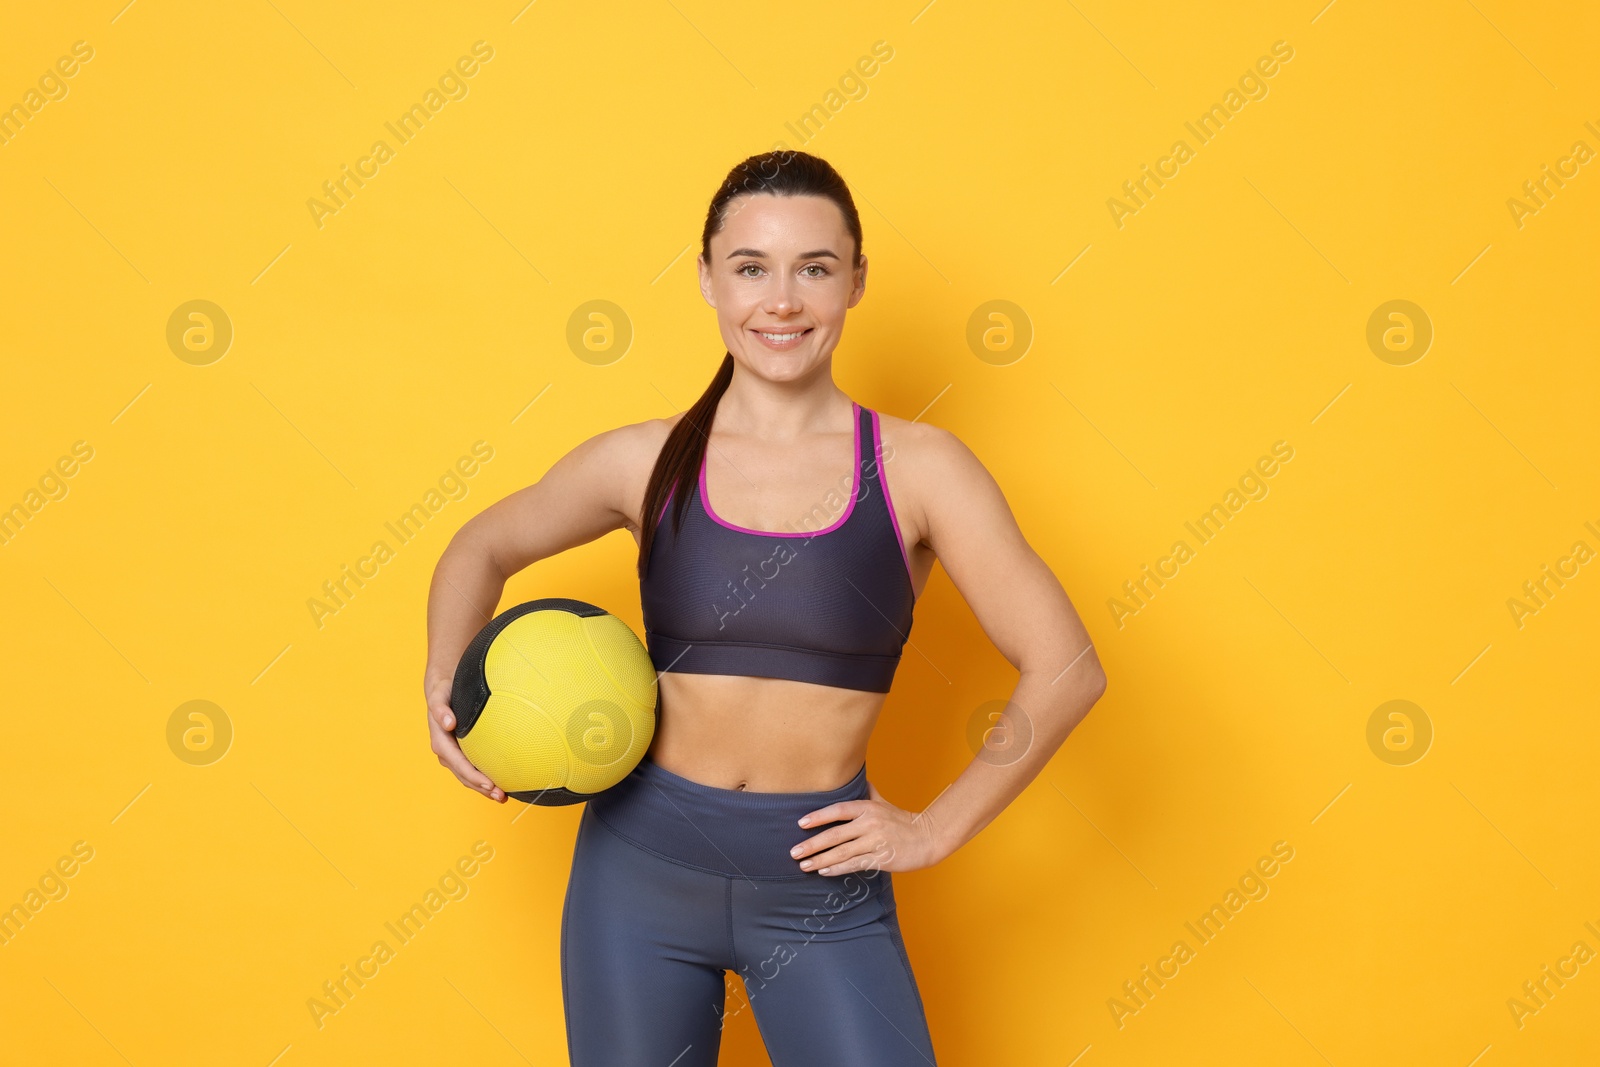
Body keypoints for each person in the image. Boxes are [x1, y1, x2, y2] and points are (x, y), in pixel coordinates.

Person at [423, 150, 1107, 1066]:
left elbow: (1066, 665)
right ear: (707, 277)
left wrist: (936, 827)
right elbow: (482, 545)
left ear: (856, 280)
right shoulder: (643, 460)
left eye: (813, 268)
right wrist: (445, 675)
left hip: (822, 886)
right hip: (638, 875)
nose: (780, 301)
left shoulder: (921, 471)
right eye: (751, 267)